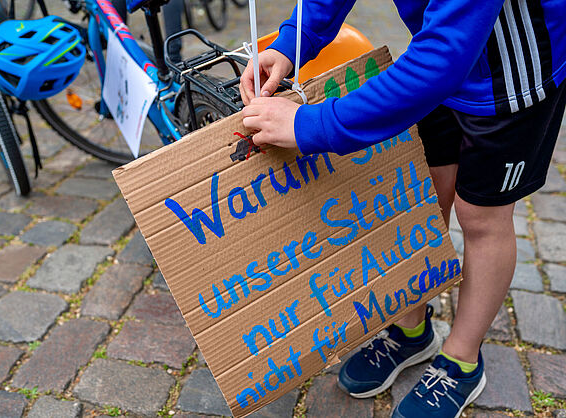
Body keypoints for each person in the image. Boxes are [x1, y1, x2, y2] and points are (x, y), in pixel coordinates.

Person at [239, 0, 566, 416]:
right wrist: (293, 42)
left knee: (481, 216)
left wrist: (310, 124)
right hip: (436, 53)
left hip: (511, 72)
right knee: (427, 188)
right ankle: (411, 328)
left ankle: (462, 360)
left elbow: (443, 57)